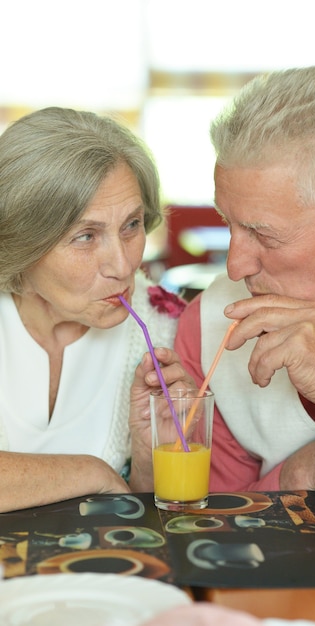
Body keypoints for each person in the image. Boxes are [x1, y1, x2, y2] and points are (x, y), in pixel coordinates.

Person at [158, 65, 315, 503]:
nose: (235, 267)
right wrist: (299, 471)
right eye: (229, 224)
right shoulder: (206, 324)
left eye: (264, 234)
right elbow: (208, 532)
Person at [0, 106, 192, 513]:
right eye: (86, 236)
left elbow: (154, 518)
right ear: (20, 244)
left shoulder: (167, 329)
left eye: (132, 225)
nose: (123, 267)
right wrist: (93, 473)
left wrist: (146, 458)